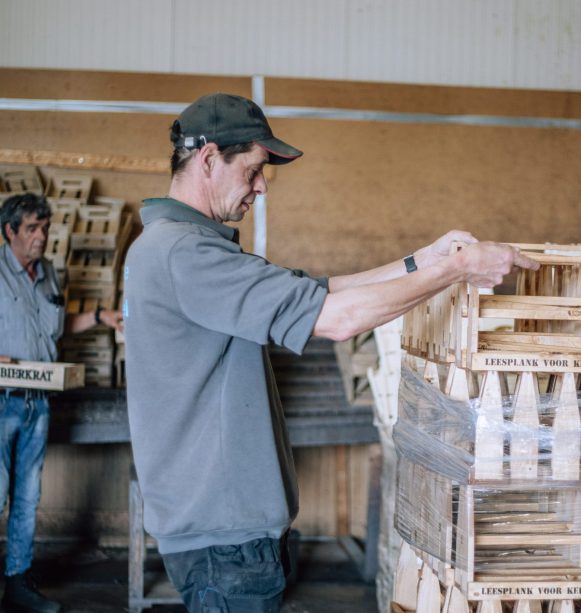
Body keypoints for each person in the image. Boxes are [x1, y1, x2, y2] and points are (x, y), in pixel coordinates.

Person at [123, 93, 539, 613]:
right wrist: (456, 271)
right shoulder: (187, 254)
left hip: (221, 531)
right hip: (223, 537)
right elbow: (338, 319)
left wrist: (422, 260)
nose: (260, 188)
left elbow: (322, 291)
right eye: (253, 170)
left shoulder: (177, 247)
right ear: (209, 159)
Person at [0, 193, 123, 613]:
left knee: (28, 497)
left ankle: (18, 582)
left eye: (45, 228)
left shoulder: (50, 273)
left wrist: (101, 317)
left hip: (39, 402)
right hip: (2, 401)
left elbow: (59, 326)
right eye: (32, 229)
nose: (41, 237)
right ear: (10, 231)